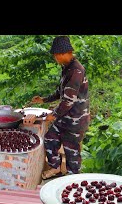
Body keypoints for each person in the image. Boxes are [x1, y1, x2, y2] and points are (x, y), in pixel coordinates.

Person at [31, 36, 90, 180]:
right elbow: (61, 92)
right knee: (50, 138)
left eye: (56, 55)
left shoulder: (77, 70)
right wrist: (43, 100)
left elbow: (69, 100)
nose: (55, 58)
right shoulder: (67, 68)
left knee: (72, 154)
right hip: (65, 117)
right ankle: (55, 167)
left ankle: (73, 181)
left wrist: (54, 115)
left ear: (65, 53)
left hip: (76, 119)